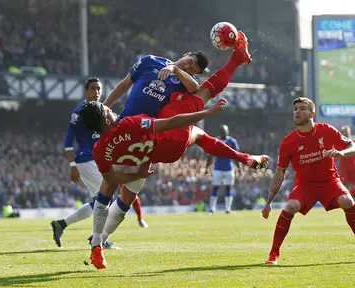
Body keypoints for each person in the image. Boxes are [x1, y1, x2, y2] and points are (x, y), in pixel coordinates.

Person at [81, 32, 269, 269]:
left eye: (194, 68)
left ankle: (98, 242)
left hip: (146, 138)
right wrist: (103, 108)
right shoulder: (149, 62)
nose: (191, 66)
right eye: (190, 61)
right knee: (196, 131)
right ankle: (98, 243)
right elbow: (128, 87)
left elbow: (196, 86)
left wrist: (176, 70)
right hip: (147, 135)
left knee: (118, 191)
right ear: (184, 55)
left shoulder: (184, 81)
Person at [50, 78, 148, 249]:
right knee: (104, 199)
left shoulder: (102, 111)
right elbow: (68, 140)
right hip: (85, 158)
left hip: (95, 158)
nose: (96, 92)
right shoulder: (81, 111)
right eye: (93, 88)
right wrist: (72, 165)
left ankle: (62, 224)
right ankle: (100, 239)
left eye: (99, 88)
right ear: (85, 92)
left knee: (100, 201)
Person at [261, 97, 355, 265]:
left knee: (347, 201)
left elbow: (351, 146)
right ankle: (274, 253)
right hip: (305, 185)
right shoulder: (288, 141)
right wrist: (269, 202)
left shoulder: (326, 130)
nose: (297, 111)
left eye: (302, 108)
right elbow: (279, 173)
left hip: (330, 182)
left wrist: (341, 153)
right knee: (290, 206)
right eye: (295, 109)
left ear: (312, 113)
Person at [207, 124, 241, 214]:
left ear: (228, 131)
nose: (224, 132)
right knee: (215, 188)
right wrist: (207, 167)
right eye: (222, 131)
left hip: (229, 168)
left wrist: (239, 168)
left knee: (228, 188)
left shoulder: (232, 141)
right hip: (218, 168)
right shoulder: (216, 141)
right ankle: (212, 209)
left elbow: (236, 156)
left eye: (225, 130)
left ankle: (227, 209)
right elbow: (210, 155)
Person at [340, 125, 355, 195]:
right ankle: (348, 198)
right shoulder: (339, 143)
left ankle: (351, 196)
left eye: (347, 132)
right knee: (344, 186)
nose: (346, 133)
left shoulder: (354, 142)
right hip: (344, 169)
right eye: (344, 132)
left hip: (353, 168)